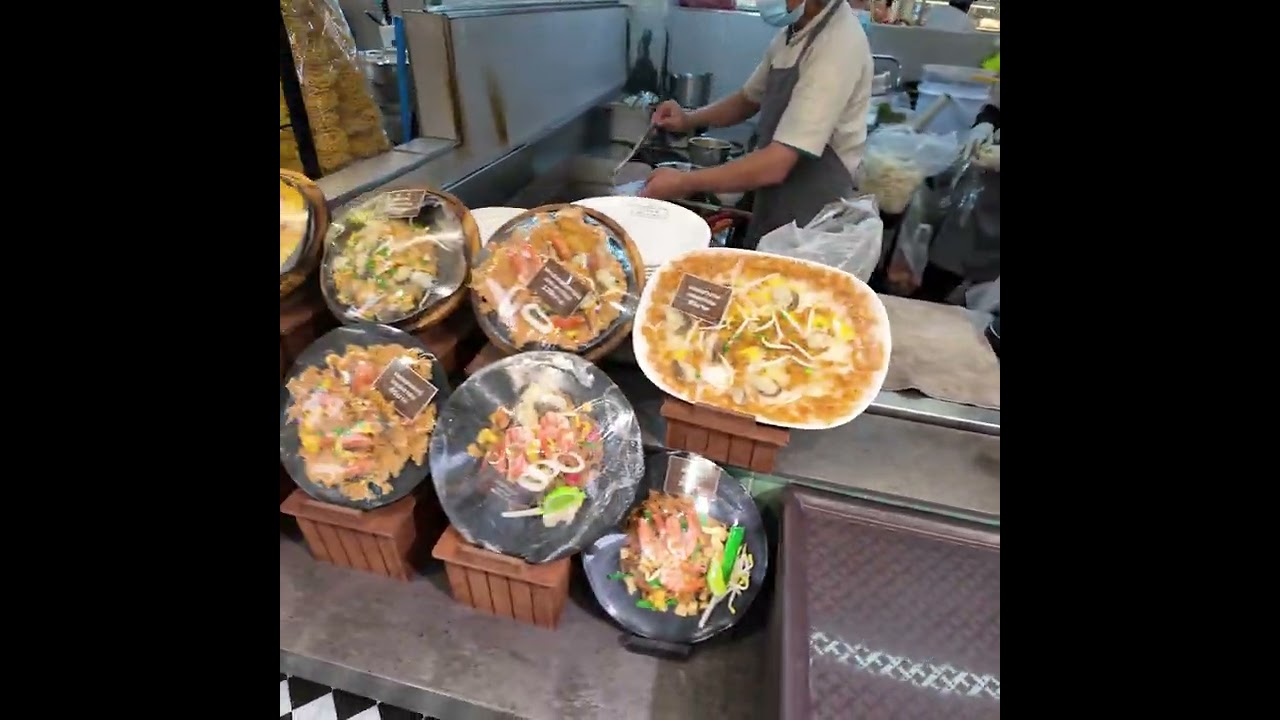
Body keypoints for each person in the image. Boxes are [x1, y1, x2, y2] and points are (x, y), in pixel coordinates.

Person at [640, 0, 874, 248]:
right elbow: (747, 100)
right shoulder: (792, 33)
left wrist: (682, 182)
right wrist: (688, 119)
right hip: (777, 203)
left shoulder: (837, 46)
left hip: (811, 224)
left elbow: (776, 164)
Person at [914, 77, 999, 303]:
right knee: (938, 279)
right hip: (978, 200)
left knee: (982, 303)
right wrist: (986, 123)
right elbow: (995, 105)